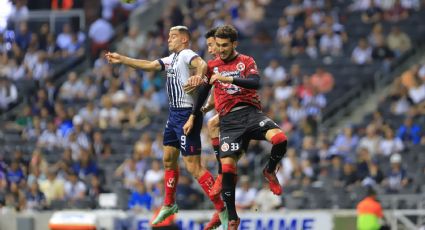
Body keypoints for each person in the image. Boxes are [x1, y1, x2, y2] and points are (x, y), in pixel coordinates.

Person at [105, 26, 224, 229]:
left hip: (188, 114)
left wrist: (199, 76)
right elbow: (150, 65)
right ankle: (169, 203)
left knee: (193, 167)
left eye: (174, 36)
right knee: (168, 160)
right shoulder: (172, 58)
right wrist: (122, 59)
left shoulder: (187, 54)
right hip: (173, 115)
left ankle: (222, 210)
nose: (169, 39)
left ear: (185, 39)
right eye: (168, 35)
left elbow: (202, 64)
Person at [185, 25, 288, 229]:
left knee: (280, 139)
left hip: (250, 113)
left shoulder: (246, 61)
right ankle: (232, 217)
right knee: (228, 167)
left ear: (234, 44)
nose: (221, 49)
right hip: (229, 122)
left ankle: (269, 171)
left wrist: (227, 78)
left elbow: (255, 83)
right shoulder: (212, 66)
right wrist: (192, 117)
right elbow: (203, 94)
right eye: (218, 45)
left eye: (225, 45)